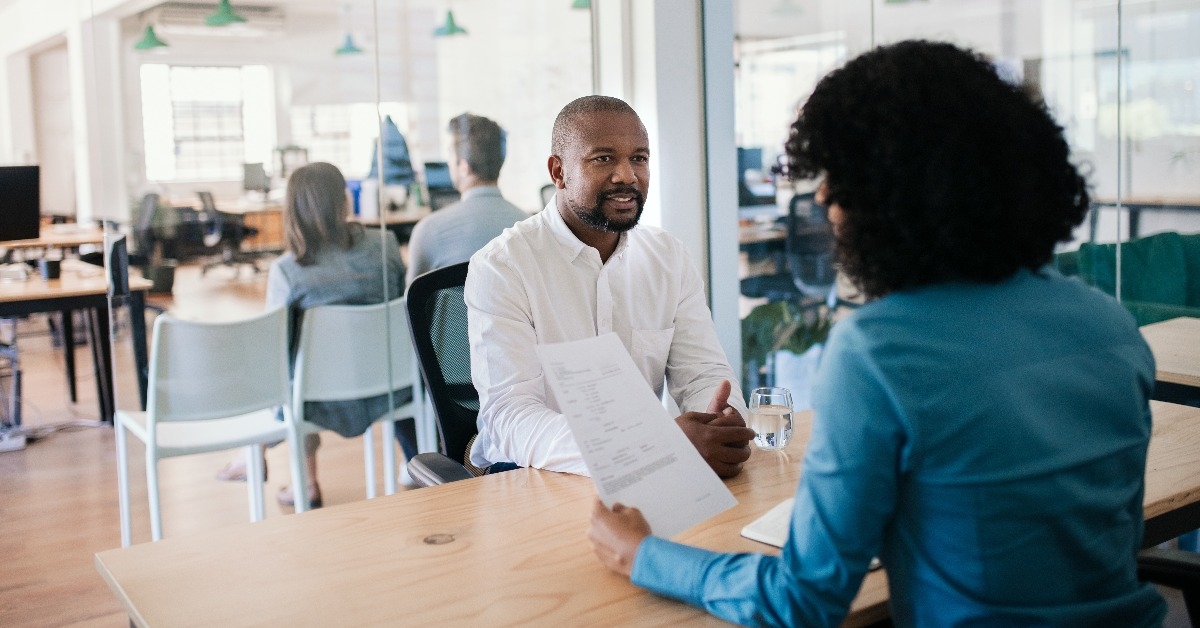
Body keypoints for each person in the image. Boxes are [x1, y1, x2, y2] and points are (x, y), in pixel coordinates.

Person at [588, 41, 1168, 626]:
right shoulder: (1111, 323)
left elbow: (805, 599)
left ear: (896, 194)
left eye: (839, 176)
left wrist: (645, 555)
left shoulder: (882, 351)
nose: (821, 196)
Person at [465, 95, 755, 477]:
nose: (627, 176)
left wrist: (723, 420)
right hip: (537, 474)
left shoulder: (668, 258)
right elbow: (510, 418)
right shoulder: (503, 267)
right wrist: (650, 445)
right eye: (603, 158)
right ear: (559, 172)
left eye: (639, 158)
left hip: (650, 476)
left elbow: (703, 373)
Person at [216, 162, 416, 509]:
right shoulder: (383, 246)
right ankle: (262, 463)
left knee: (291, 369)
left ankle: (301, 481)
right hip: (389, 385)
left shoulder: (289, 271)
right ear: (343, 201)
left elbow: (274, 351)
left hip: (320, 400)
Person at [405, 113, 528, 285]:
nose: (448, 162)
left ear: (464, 168)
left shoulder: (429, 231)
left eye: (450, 154)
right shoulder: (530, 227)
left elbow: (411, 305)